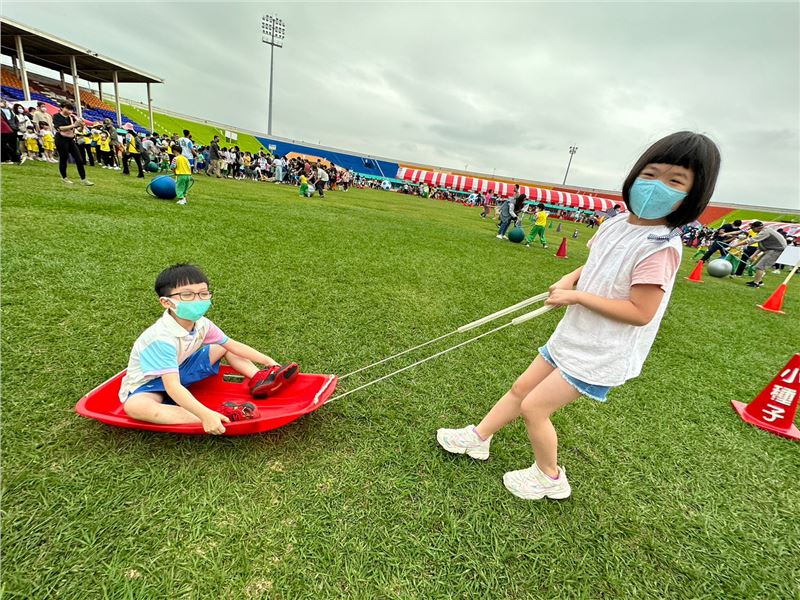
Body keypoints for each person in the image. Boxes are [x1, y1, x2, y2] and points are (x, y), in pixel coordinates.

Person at [437, 131, 721, 500]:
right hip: (575, 333)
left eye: (675, 181)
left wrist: (577, 296)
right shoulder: (616, 223)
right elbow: (598, 264)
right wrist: (570, 279)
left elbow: (641, 312)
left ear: (693, 195)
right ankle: (479, 438)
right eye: (650, 174)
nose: (656, 186)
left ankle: (550, 477)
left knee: (534, 407)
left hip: (602, 351)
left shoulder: (660, 247)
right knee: (521, 388)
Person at [118, 263, 289, 434]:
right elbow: (172, 387)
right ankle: (218, 416)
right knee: (136, 407)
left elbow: (232, 345)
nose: (198, 300)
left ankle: (261, 380)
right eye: (187, 295)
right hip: (151, 384)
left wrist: (269, 362)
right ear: (166, 302)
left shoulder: (202, 324)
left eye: (203, 293)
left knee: (222, 346)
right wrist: (204, 414)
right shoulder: (160, 339)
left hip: (180, 369)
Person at [729, 221, 787, 288]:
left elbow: (750, 241)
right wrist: (753, 256)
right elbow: (761, 247)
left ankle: (756, 284)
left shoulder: (765, 232)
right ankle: (759, 281)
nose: (752, 230)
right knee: (756, 265)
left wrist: (735, 245)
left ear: (758, 228)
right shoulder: (764, 231)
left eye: (752, 228)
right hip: (771, 249)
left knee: (760, 266)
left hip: (776, 250)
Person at [51, 102, 94, 185]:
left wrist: (82, 125)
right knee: (63, 159)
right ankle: (64, 178)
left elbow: (78, 130)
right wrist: (74, 125)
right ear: (62, 108)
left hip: (71, 139)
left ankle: (83, 179)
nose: (69, 111)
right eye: (67, 108)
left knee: (79, 159)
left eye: (71, 109)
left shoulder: (72, 117)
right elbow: (60, 128)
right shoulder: (56, 116)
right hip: (61, 139)